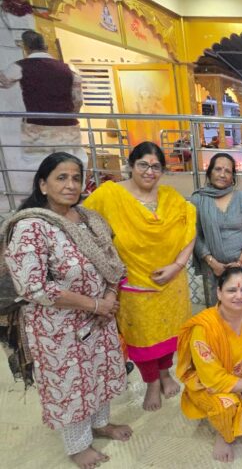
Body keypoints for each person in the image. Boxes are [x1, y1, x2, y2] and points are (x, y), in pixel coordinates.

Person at [1, 153, 131, 469]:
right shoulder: (31, 227)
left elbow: (113, 264)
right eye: (61, 178)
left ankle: (100, 424)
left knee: (100, 373)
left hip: (100, 318)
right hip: (58, 325)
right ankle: (77, 445)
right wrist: (95, 304)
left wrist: (109, 297)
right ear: (43, 185)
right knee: (71, 384)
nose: (71, 185)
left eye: (76, 178)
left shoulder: (89, 219)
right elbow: (33, 288)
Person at [83, 141, 196, 412]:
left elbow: (189, 230)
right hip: (132, 281)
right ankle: (151, 383)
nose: (149, 171)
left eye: (156, 166)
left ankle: (165, 373)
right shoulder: (109, 195)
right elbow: (82, 220)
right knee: (141, 336)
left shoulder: (171, 197)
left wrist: (178, 265)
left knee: (169, 331)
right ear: (131, 165)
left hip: (172, 281)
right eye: (143, 164)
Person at [176, 267, 242, 463]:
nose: (239, 296)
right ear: (219, 292)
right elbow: (214, 380)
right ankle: (223, 435)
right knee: (226, 406)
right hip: (211, 385)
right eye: (232, 290)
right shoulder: (204, 329)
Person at [0, 30, 85, 206]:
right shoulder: (68, 69)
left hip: (37, 129)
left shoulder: (20, 66)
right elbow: (77, 99)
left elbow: (4, 81)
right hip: (68, 128)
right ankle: (68, 203)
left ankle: (40, 204)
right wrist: (69, 114)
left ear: (25, 47)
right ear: (45, 46)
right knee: (68, 166)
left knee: (37, 168)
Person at [192, 153, 242, 305]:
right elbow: (195, 235)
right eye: (218, 169)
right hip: (213, 268)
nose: (222, 174)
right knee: (217, 308)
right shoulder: (198, 199)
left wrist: (240, 263)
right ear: (209, 172)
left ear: (232, 176)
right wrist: (212, 262)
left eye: (227, 171)